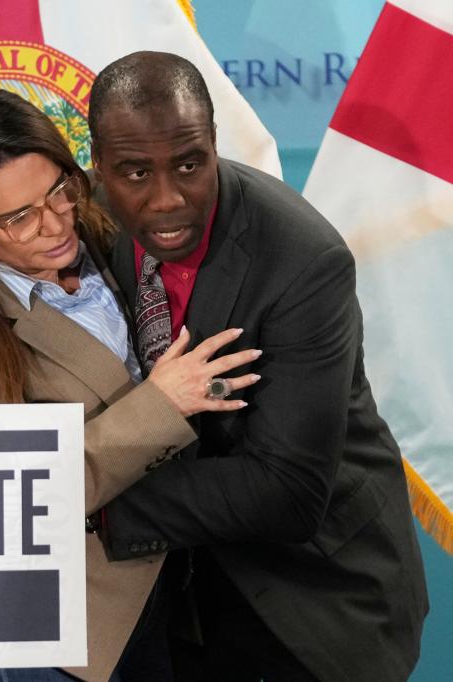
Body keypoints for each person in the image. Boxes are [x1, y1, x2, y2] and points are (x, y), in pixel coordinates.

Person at [0, 85, 260, 682]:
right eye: (19, 217)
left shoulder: (107, 236)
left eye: (59, 189)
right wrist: (159, 406)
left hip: (160, 600)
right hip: (39, 643)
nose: (54, 223)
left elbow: (177, 370)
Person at [87, 51, 428, 682]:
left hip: (317, 601)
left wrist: (91, 500)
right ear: (99, 168)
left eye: (190, 165)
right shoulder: (86, 217)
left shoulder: (302, 261)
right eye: (135, 172)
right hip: (183, 598)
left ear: (214, 146)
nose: (166, 200)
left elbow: (288, 491)